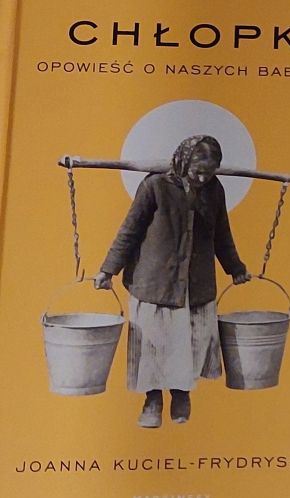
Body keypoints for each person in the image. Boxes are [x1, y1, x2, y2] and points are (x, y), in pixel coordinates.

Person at [93, 135, 251, 428]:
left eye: (209, 172)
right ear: (184, 161)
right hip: (155, 280)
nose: (202, 178)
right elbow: (129, 230)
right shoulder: (155, 186)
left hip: (195, 281)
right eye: (198, 171)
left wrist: (235, 268)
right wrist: (108, 270)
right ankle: (152, 400)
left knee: (189, 343)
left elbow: (222, 234)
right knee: (153, 343)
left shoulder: (214, 190)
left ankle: (181, 395)